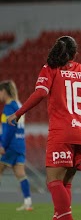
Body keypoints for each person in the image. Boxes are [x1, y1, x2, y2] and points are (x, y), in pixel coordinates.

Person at [7, 36, 81, 220]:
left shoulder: (50, 69)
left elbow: (41, 93)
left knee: (53, 181)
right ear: (75, 53)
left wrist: (19, 113)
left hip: (62, 133)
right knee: (65, 183)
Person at [0, 80, 33, 211]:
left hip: (10, 145)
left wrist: (3, 145)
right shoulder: (18, 105)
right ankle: (28, 202)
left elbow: (9, 129)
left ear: (4, 92)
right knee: (20, 173)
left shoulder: (9, 107)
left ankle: (28, 202)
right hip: (20, 144)